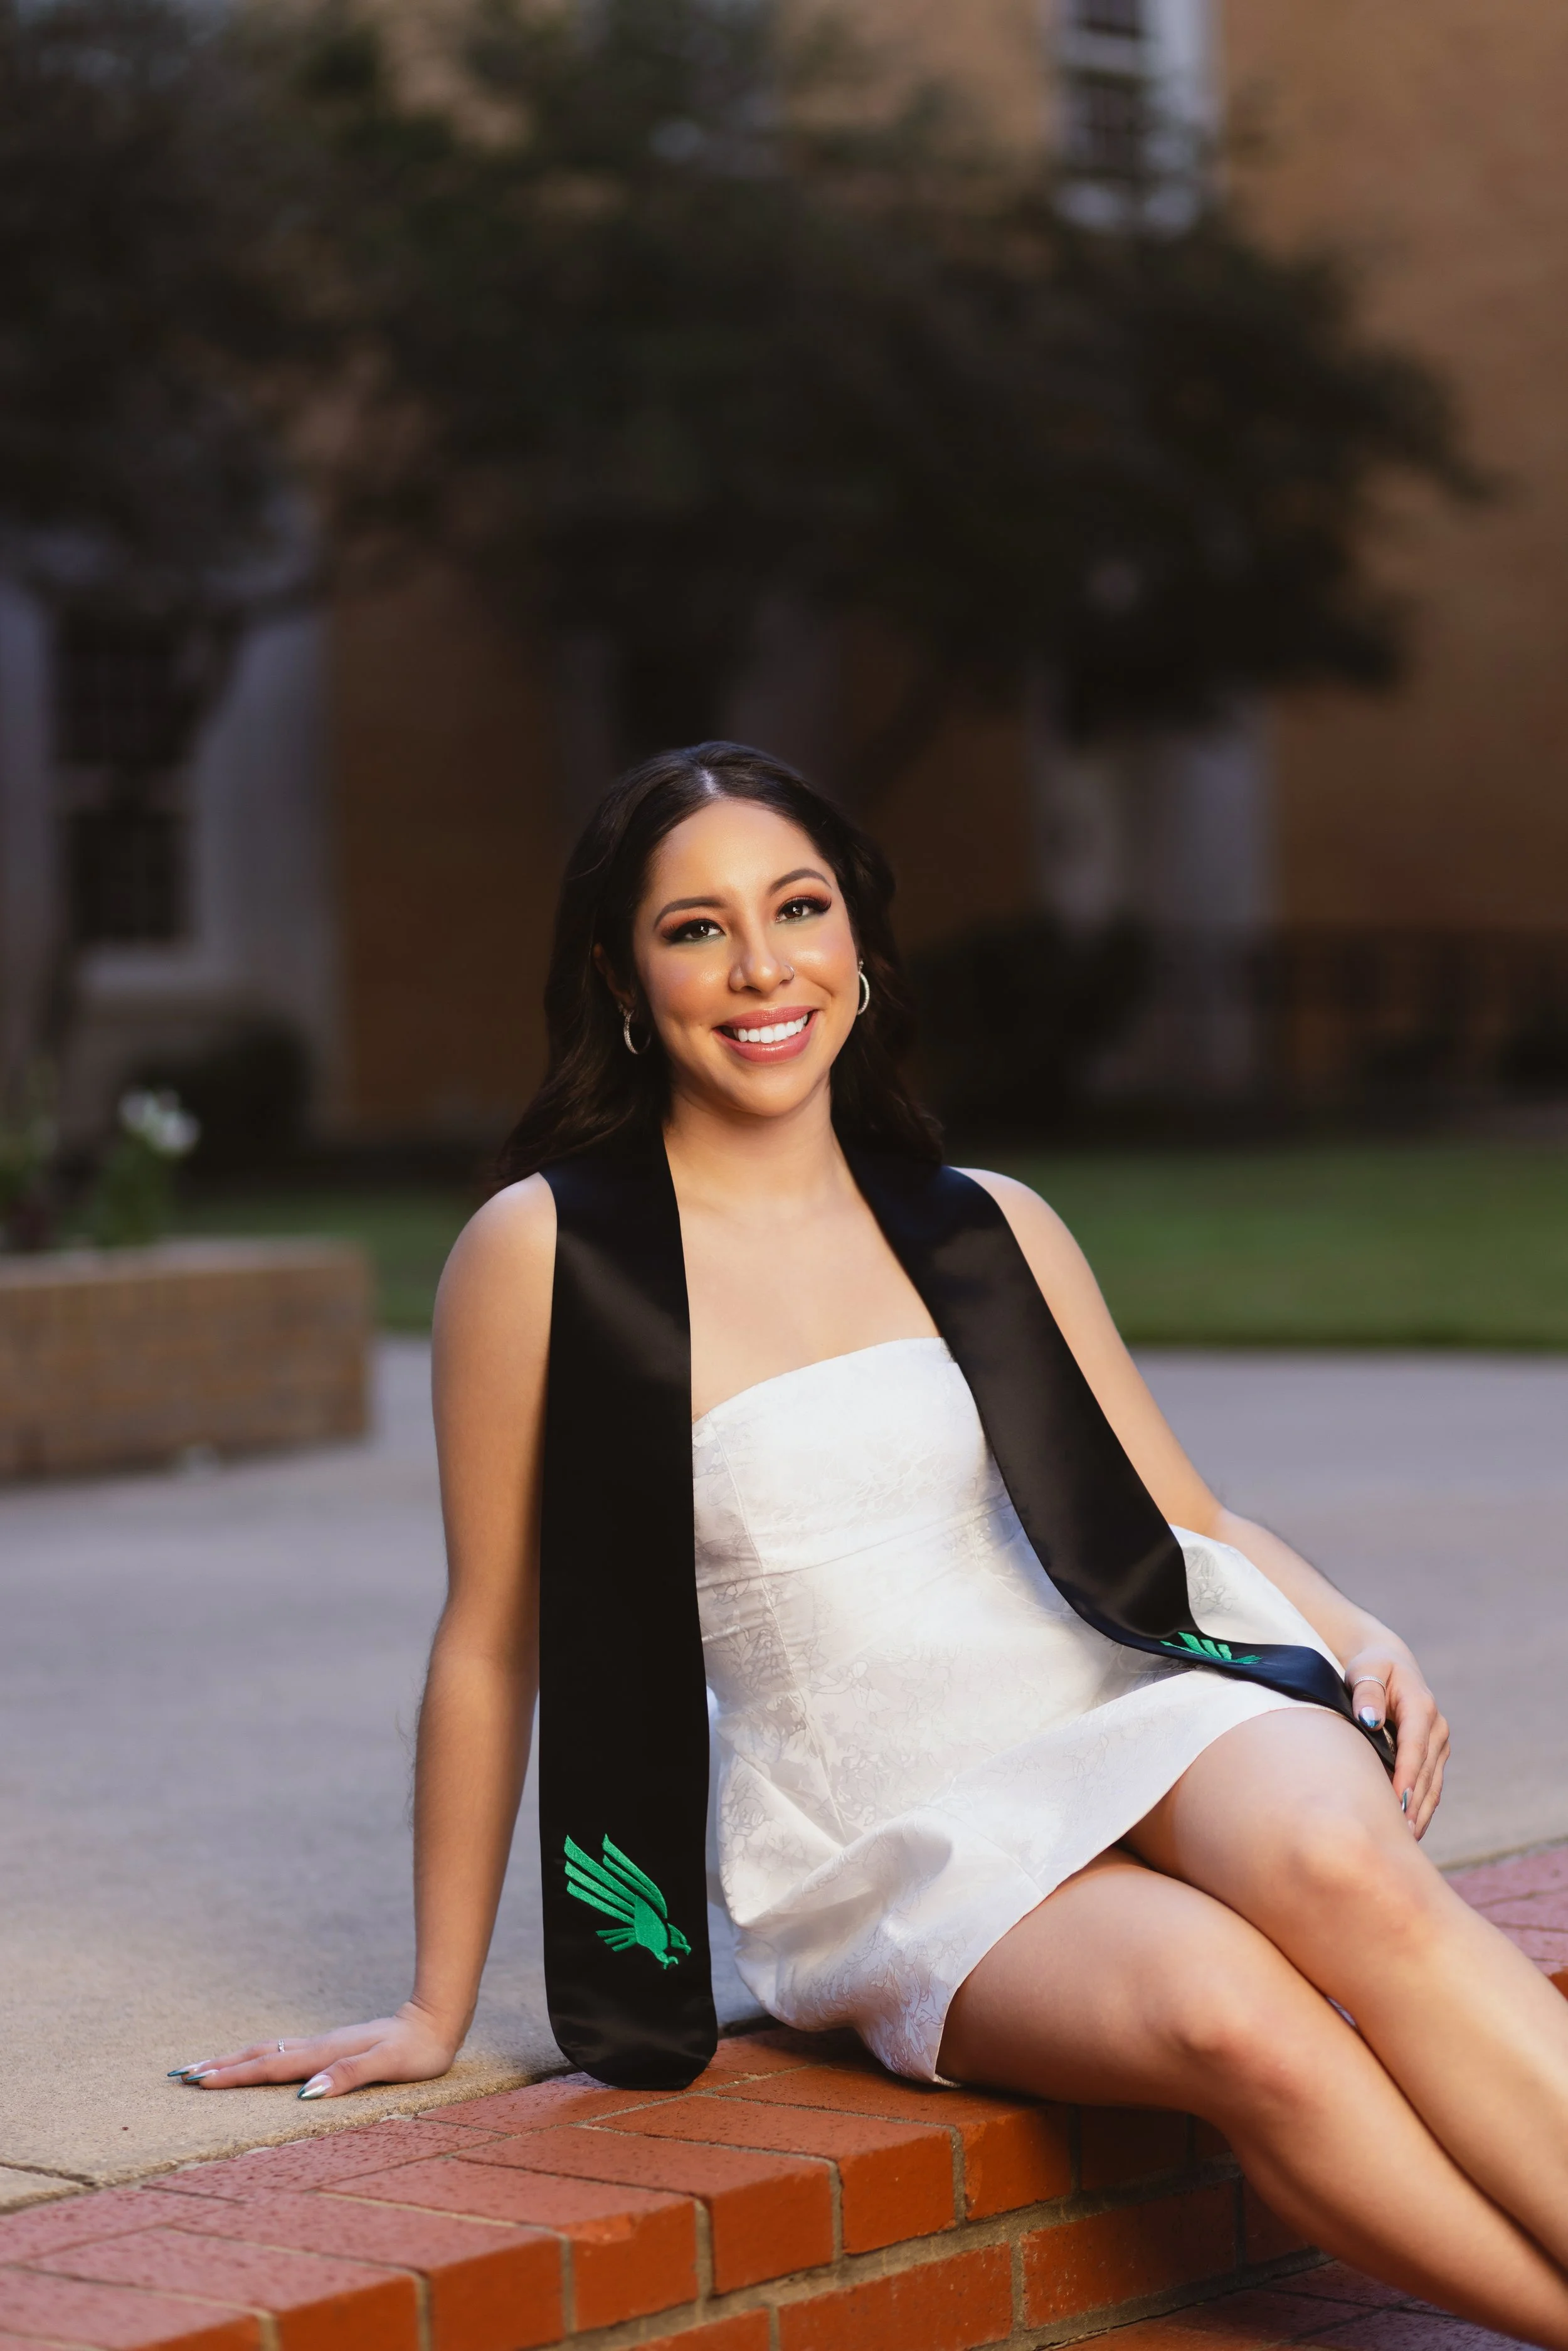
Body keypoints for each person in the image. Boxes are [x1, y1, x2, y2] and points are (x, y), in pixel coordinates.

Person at [177, 744, 1568, 2342]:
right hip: (885, 1826)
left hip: (1130, 1690)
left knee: (1343, 1861)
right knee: (1240, 2022)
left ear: (860, 949)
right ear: (622, 978)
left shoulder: (982, 1219)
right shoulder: (549, 1254)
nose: (759, 965)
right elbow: (490, 1633)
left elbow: (1176, 1506)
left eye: (798, 907)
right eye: (693, 927)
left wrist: (1350, 1619)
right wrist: (435, 2004)